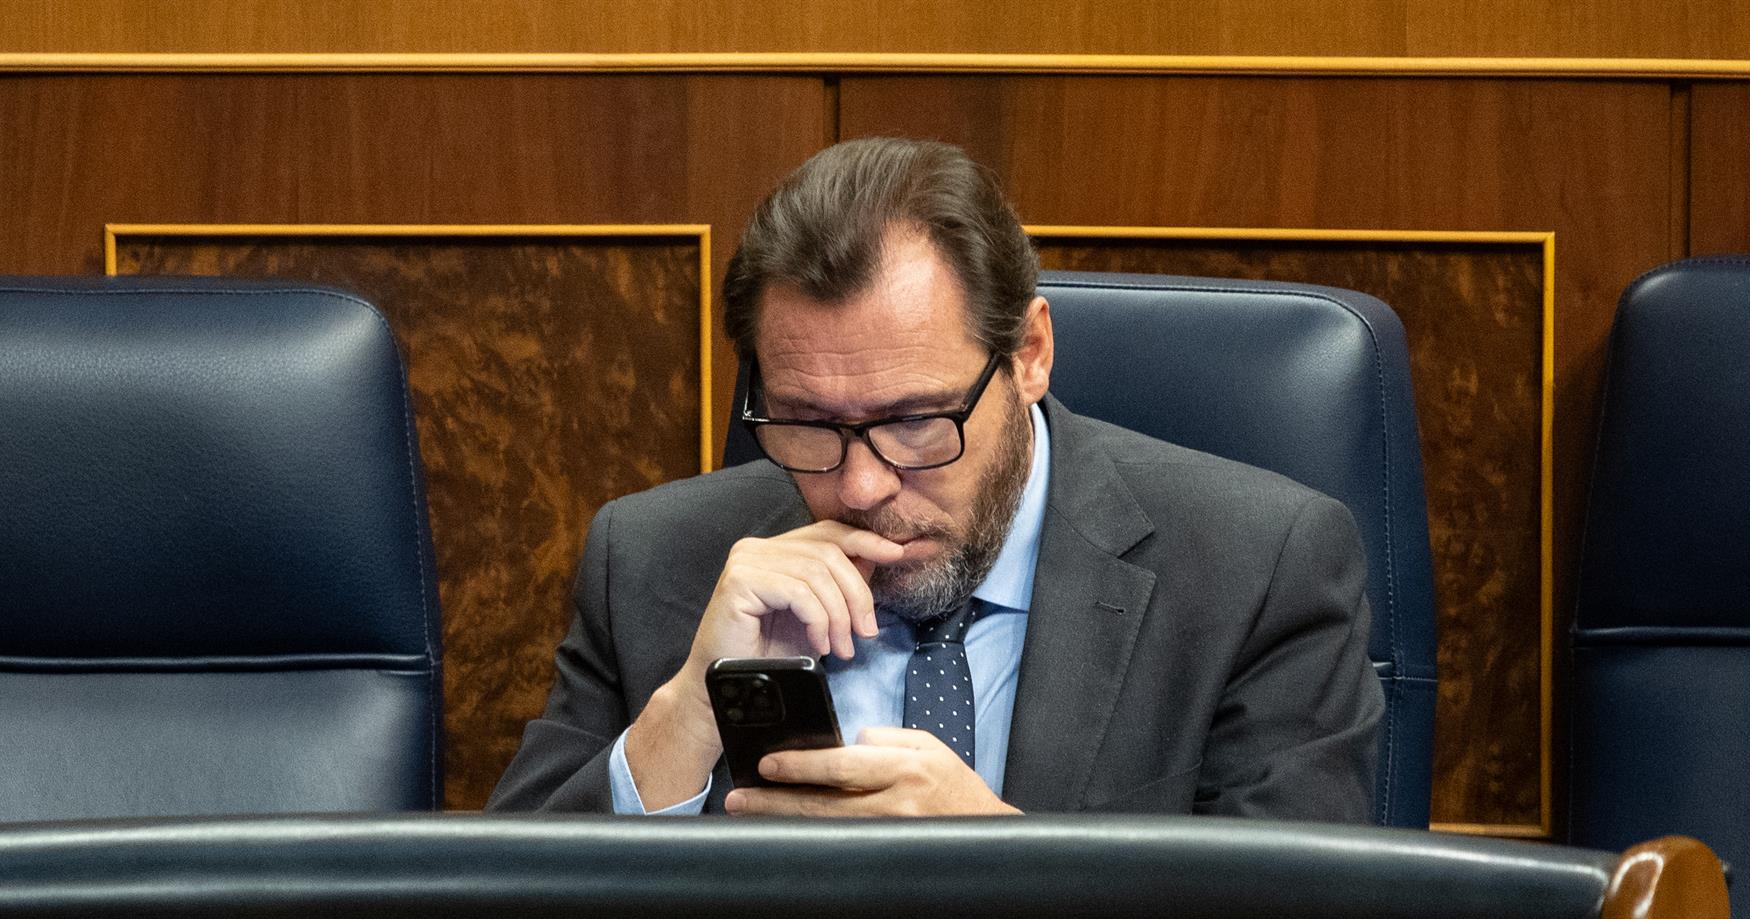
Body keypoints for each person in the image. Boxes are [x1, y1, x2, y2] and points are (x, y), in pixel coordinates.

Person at [487, 137, 1383, 819]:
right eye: (808, 424)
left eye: (914, 421)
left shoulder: (1256, 571)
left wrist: (996, 860)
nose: (861, 487)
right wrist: (685, 715)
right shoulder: (652, 561)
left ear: (1029, 355)